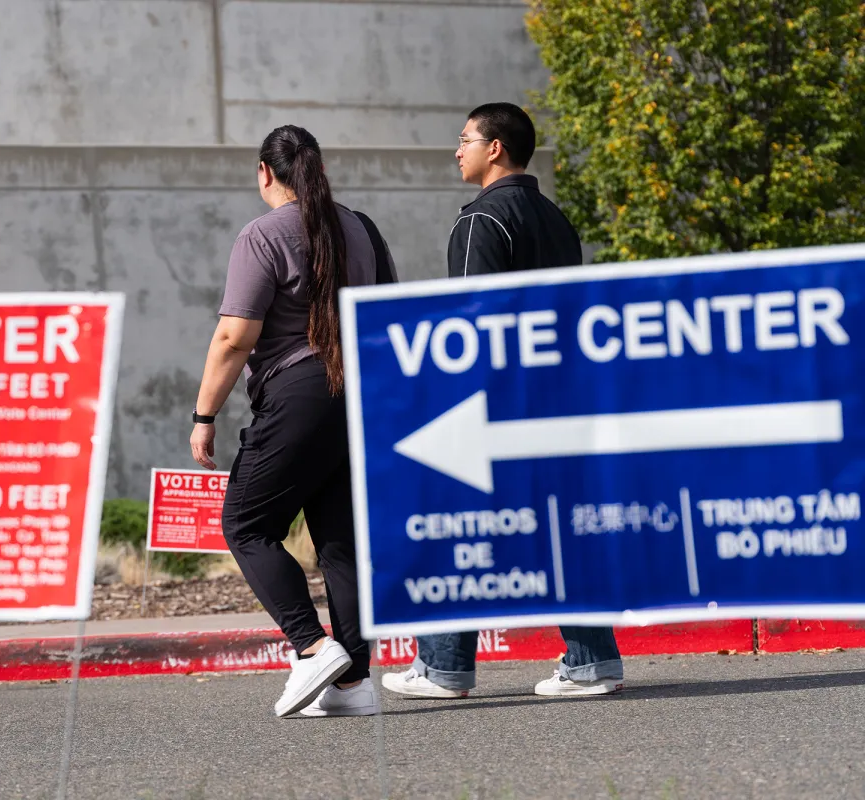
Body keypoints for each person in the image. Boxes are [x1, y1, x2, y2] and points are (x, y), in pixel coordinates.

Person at [382, 102, 626, 700]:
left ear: (496, 148)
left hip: (494, 412)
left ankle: (443, 668)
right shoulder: (556, 220)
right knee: (562, 530)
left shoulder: (480, 223)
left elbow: (472, 331)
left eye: (465, 139)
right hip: (561, 402)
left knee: (454, 526)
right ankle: (593, 661)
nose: (456, 149)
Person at [189, 125, 397, 718]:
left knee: (245, 523)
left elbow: (234, 336)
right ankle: (355, 685)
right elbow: (387, 312)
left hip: (301, 388)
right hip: (359, 391)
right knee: (339, 540)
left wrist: (205, 414)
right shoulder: (359, 226)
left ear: (264, 172)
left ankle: (310, 647)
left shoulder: (261, 235)